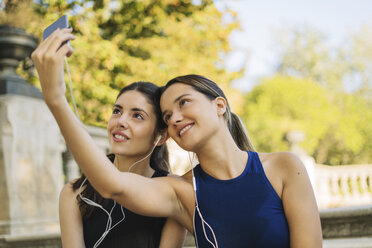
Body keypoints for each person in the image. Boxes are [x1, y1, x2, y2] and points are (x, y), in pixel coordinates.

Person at [32, 27, 322, 248]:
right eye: (168, 116)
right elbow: (112, 184)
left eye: (183, 103)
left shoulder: (284, 167)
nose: (175, 118)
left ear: (219, 105)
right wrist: (55, 98)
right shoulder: (180, 191)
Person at [35, 31, 186, 247]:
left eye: (137, 115)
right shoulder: (75, 192)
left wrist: (56, 98)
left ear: (160, 137)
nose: (121, 121)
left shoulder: (172, 192)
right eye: (117, 111)